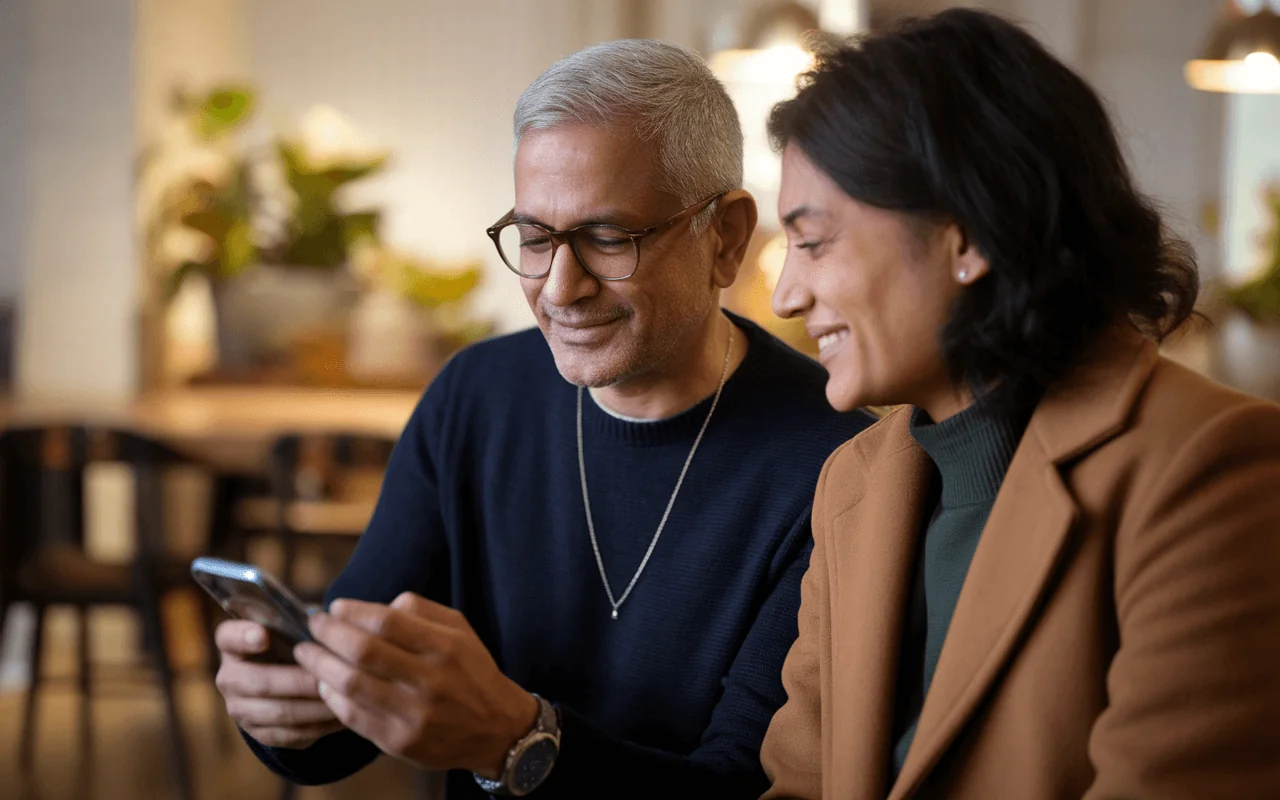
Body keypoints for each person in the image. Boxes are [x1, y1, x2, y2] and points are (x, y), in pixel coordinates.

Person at [212, 40, 872, 798]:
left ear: (723, 237)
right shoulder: (475, 396)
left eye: (606, 238)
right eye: (534, 237)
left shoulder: (837, 464)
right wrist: (287, 706)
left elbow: (743, 787)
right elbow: (342, 731)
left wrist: (518, 743)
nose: (560, 287)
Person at [759, 9, 1280, 800]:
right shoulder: (853, 485)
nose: (787, 295)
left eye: (814, 242)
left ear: (967, 236)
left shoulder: (1212, 468)